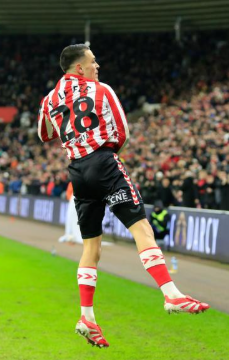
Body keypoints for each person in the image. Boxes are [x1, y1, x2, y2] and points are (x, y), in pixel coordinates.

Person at [38, 44, 209, 348]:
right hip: (103, 163)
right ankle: (171, 295)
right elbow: (123, 131)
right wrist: (107, 157)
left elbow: (44, 133)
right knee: (141, 228)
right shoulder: (101, 90)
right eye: (93, 62)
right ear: (79, 68)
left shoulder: (50, 99)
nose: (97, 66)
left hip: (77, 171)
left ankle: (87, 316)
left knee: (91, 246)